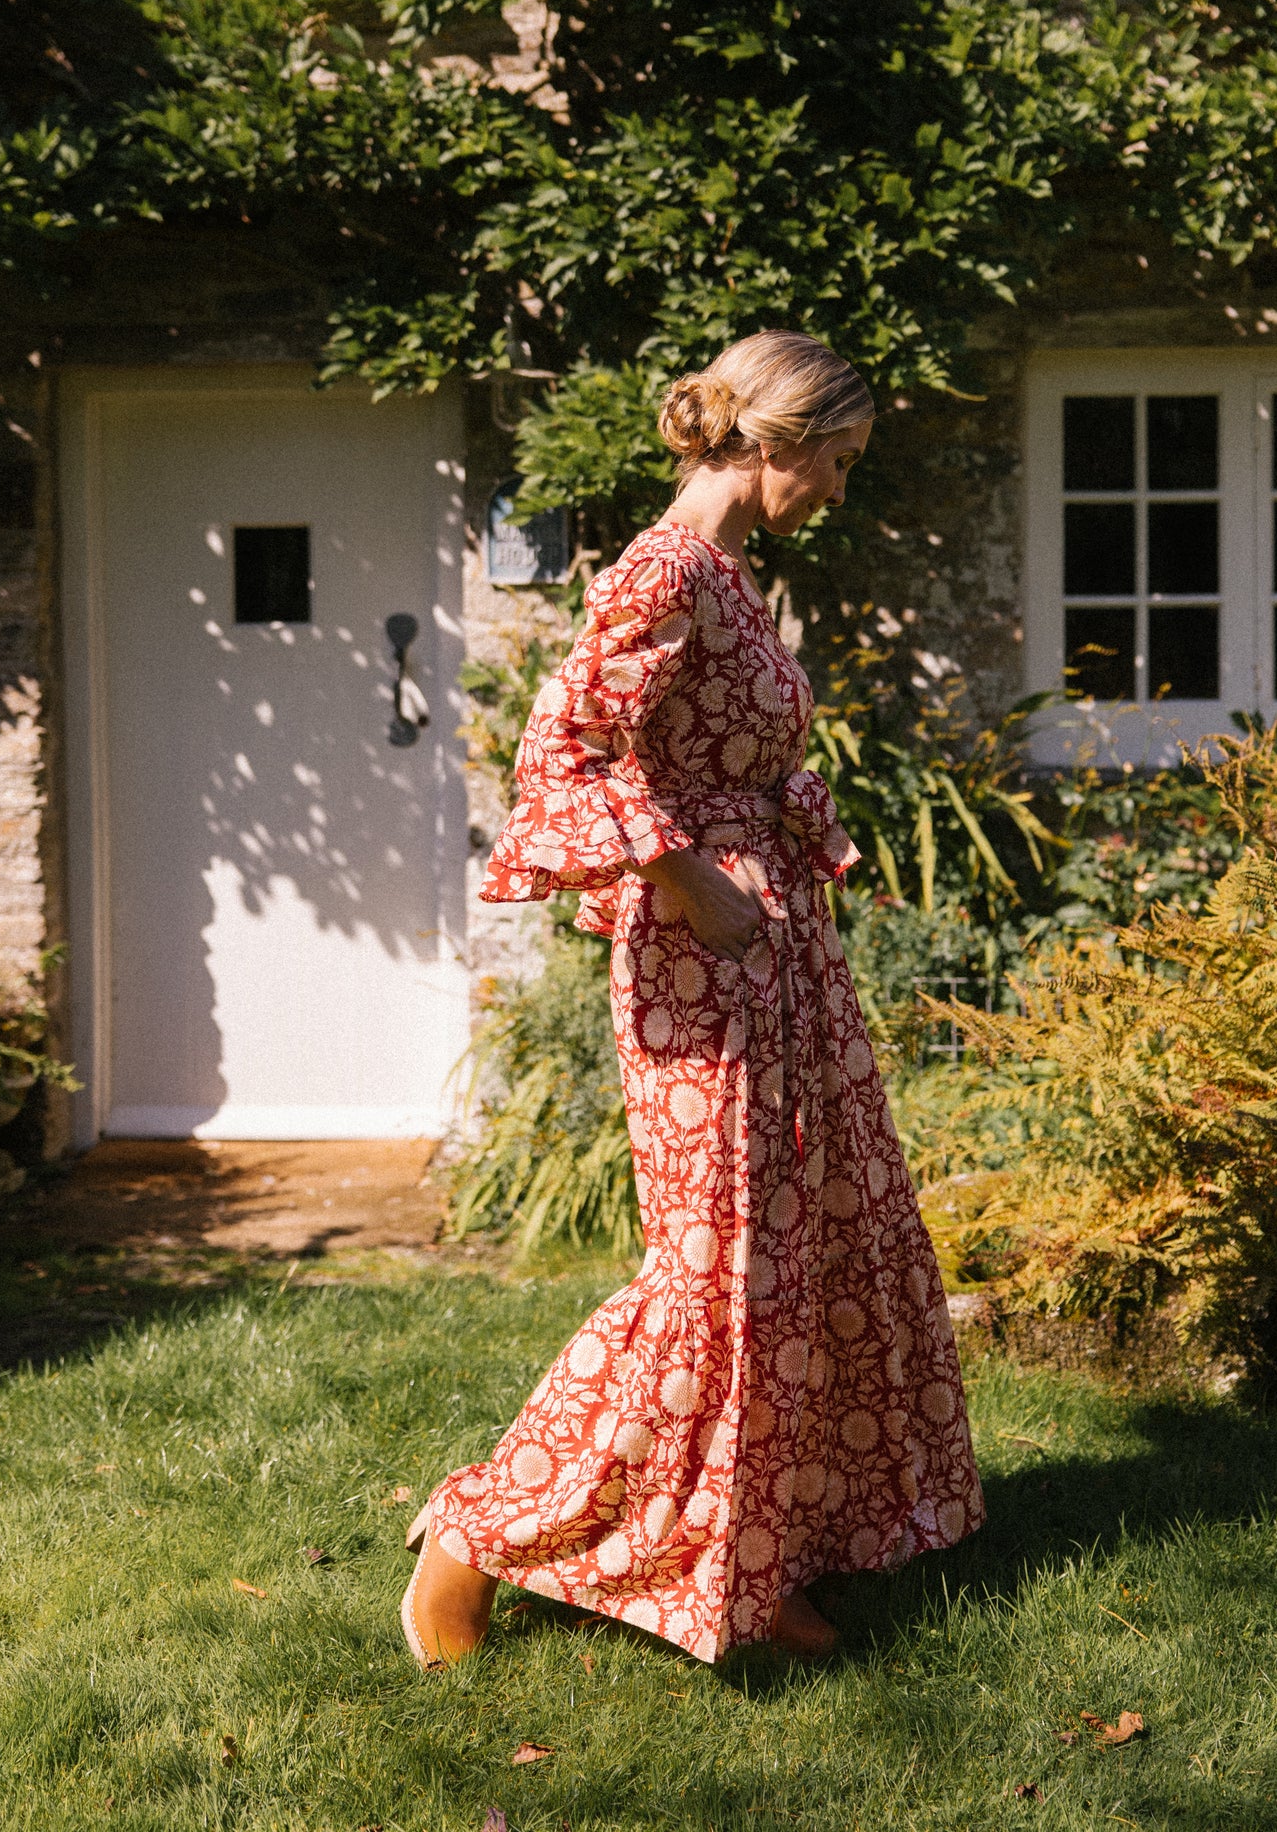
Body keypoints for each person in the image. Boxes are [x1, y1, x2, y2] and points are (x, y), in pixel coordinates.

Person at [401, 329, 983, 1668]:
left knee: (789, 1263)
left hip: (772, 951)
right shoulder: (664, 569)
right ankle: (472, 1543)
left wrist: (792, 851)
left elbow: (725, 750)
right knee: (708, 1275)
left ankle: (749, 1557)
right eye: (833, 459)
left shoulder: (726, 573)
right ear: (775, 438)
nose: (835, 488)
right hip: (702, 959)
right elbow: (569, 741)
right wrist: (676, 878)